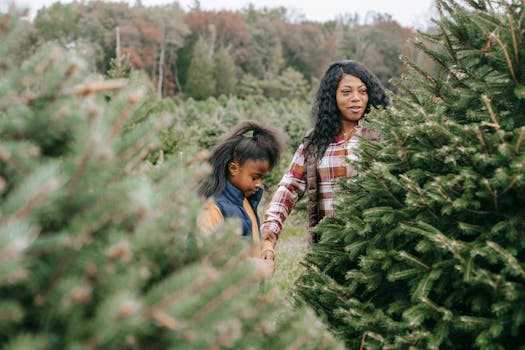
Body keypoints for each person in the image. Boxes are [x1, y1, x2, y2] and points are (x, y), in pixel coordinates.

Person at [260, 60, 389, 262]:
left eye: (362, 91)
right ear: (333, 97)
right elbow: (289, 187)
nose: (356, 99)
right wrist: (270, 231)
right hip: (329, 248)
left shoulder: (383, 136)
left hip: (374, 250)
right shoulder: (315, 143)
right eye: (346, 92)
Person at [197, 119, 286, 274]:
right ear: (233, 169)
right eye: (255, 177)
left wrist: (265, 249)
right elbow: (205, 255)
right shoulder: (213, 207)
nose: (259, 184)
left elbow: (250, 240)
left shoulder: (244, 200)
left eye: (262, 178)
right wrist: (252, 267)